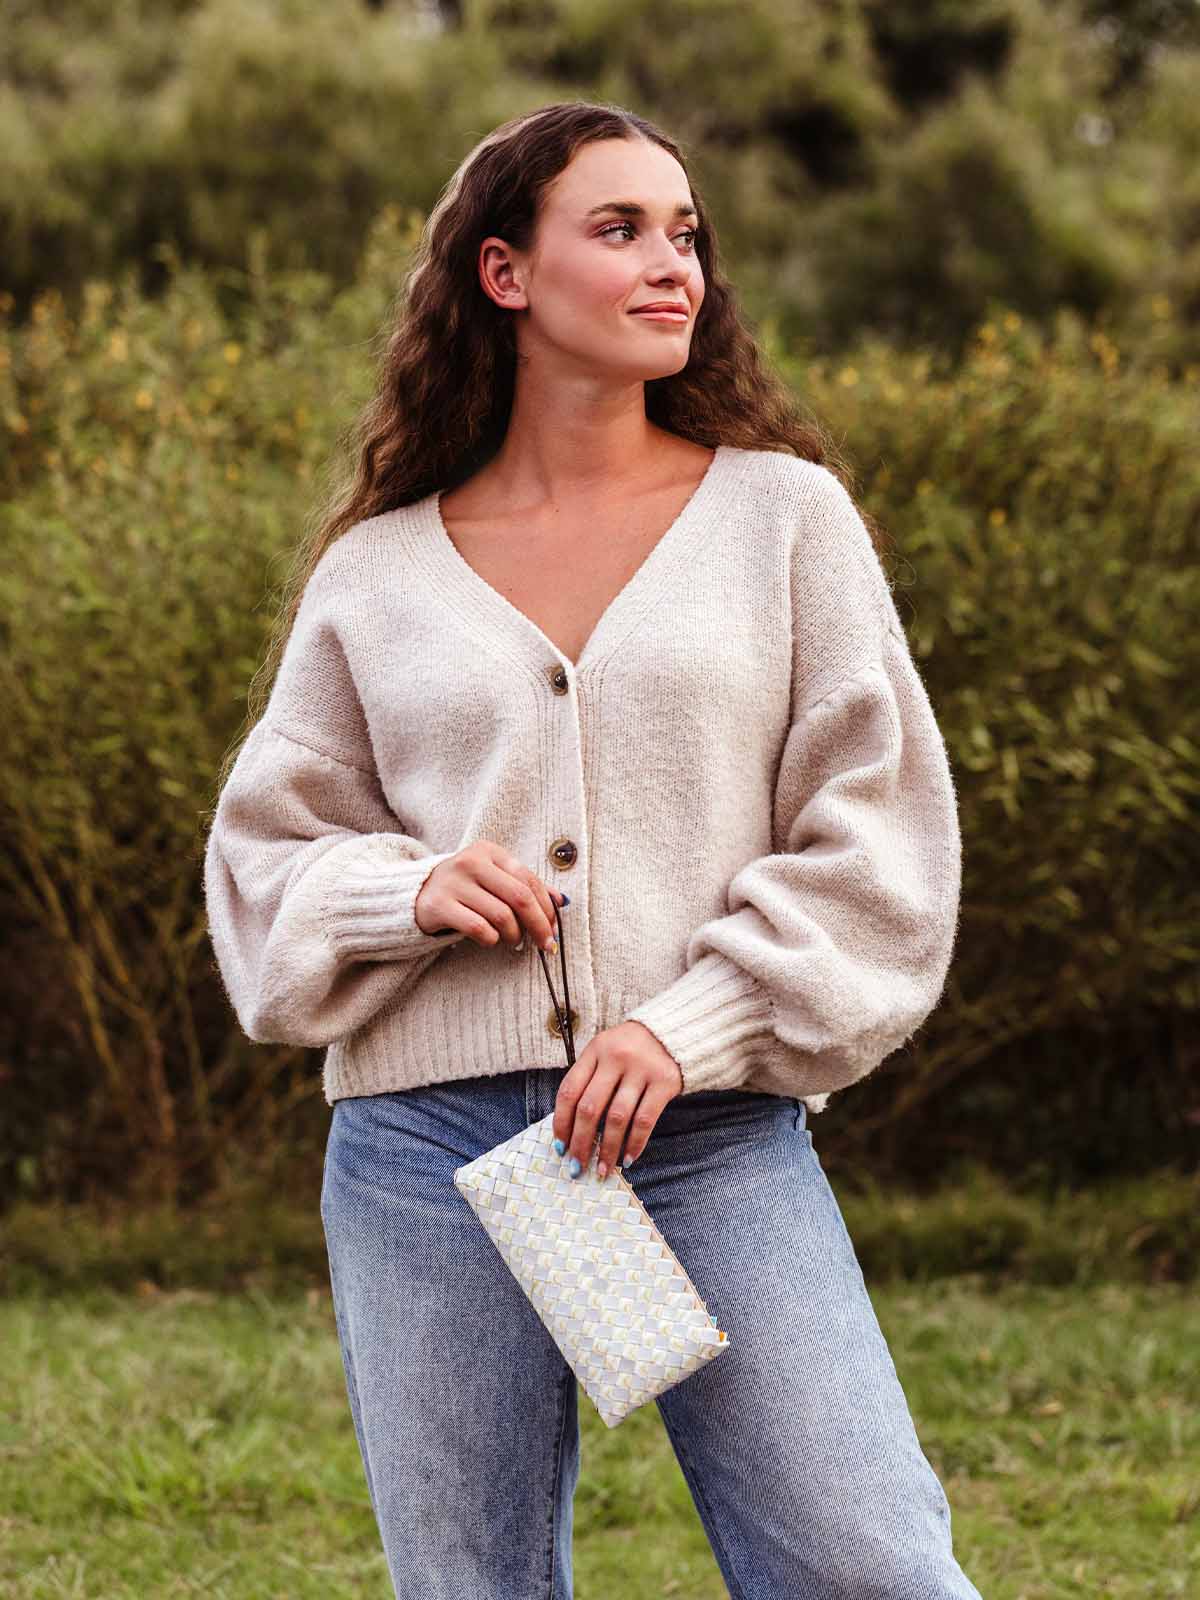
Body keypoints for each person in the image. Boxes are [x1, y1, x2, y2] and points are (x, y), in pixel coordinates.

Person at [203, 99, 982, 1600]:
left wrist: (687, 1028)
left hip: (706, 1130)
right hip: (422, 1150)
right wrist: (401, 887)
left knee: (863, 1564)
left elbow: (878, 842)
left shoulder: (783, 520)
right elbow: (263, 868)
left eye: (685, 233)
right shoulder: (375, 570)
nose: (672, 264)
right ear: (505, 274)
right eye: (619, 229)